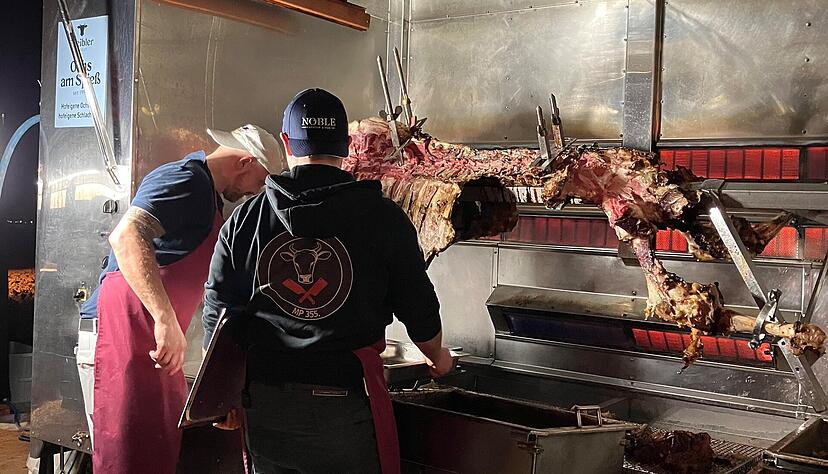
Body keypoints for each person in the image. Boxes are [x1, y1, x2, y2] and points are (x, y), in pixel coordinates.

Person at [202, 88, 454, 474]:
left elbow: (219, 309)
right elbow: (417, 304)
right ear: (347, 145)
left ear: (286, 143)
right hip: (345, 404)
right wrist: (438, 356)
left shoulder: (244, 220)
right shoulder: (383, 217)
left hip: (266, 403)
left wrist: (219, 395)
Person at [75, 124, 285, 474]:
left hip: (153, 346)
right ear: (245, 162)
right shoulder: (184, 179)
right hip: (119, 337)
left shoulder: (208, 196)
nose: (254, 192)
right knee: (124, 459)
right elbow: (127, 235)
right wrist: (164, 318)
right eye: (260, 181)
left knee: (152, 457)